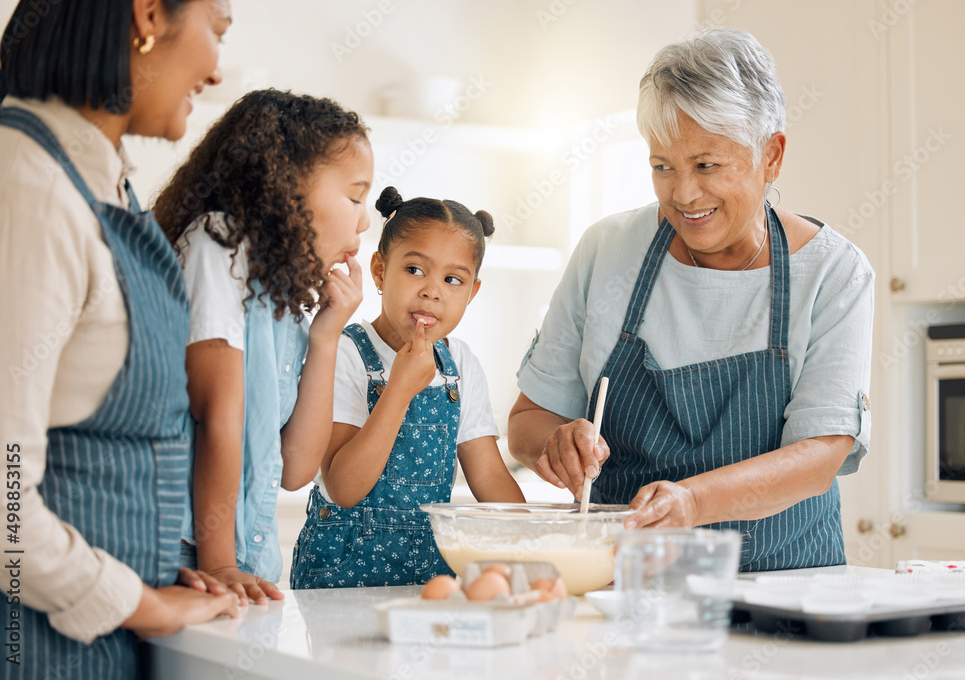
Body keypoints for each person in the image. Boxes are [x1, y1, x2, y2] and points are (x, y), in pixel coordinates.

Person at [508, 28, 874, 571]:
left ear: (770, 156)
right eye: (663, 166)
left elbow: (819, 456)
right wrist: (555, 443)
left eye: (706, 166)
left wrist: (694, 502)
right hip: (626, 586)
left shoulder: (834, 273)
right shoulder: (606, 252)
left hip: (786, 588)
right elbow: (527, 420)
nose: (682, 194)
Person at [0, 1, 241, 678]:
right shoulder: (31, 188)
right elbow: (0, 498)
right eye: (217, 31)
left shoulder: (100, 182)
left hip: (102, 642)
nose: (217, 73)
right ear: (149, 15)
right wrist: (143, 605)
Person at [153, 89, 373, 603]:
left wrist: (326, 336)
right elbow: (217, 415)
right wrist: (219, 564)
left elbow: (296, 469)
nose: (364, 221)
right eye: (355, 196)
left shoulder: (282, 296)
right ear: (287, 185)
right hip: (190, 561)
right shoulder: (217, 245)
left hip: (245, 565)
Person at [290, 186, 526, 589]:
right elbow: (343, 488)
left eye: (453, 280)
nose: (432, 290)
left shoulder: (460, 365)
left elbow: (490, 477)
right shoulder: (345, 353)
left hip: (426, 579)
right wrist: (398, 390)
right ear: (380, 270)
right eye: (415, 270)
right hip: (339, 579)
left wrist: (540, 546)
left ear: (472, 293)